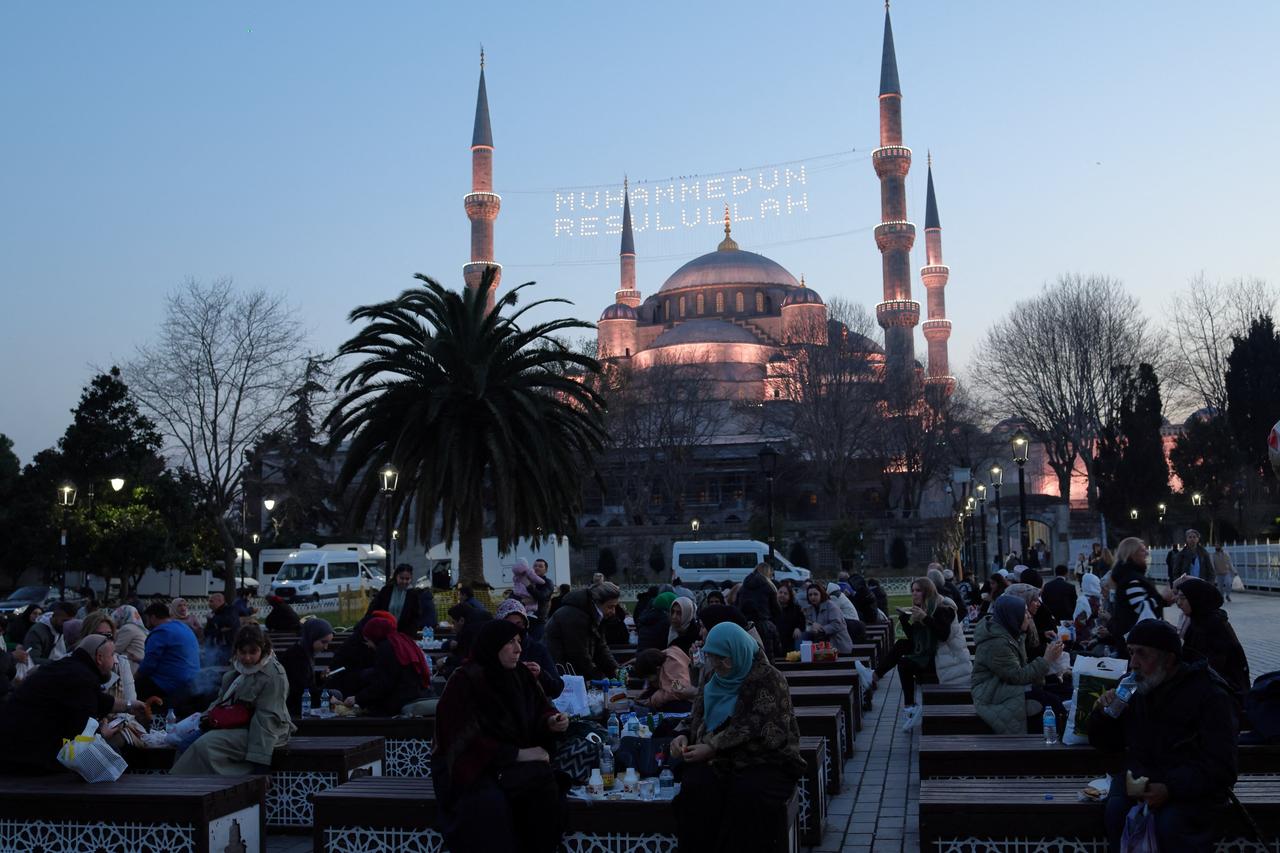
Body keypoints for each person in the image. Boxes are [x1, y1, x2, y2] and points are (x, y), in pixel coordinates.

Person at [1089, 620, 1238, 853]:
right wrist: (1103, 714)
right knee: (1116, 811)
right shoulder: (1132, 687)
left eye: (1142, 654)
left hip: (1192, 788)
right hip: (1141, 779)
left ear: (1168, 660)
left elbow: (1221, 765)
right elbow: (1107, 744)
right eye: (1130, 652)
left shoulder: (1209, 693)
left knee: (1170, 824)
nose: (1133, 663)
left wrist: (1170, 788)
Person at [431, 619, 569, 853]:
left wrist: (551, 721)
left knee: (543, 789)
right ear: (493, 645)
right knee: (488, 808)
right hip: (472, 767)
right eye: (510, 643)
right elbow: (460, 737)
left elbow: (540, 708)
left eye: (519, 642)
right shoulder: (465, 680)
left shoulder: (521, 674)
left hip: (511, 765)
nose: (518, 649)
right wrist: (517, 754)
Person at [671, 621, 805, 853]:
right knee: (696, 788)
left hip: (765, 757)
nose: (721, 664)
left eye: (725, 658)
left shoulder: (768, 678)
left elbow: (759, 726)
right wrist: (683, 735)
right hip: (720, 757)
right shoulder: (714, 677)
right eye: (715, 658)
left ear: (739, 651)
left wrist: (713, 746)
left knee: (747, 796)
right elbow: (698, 714)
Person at [0, 634, 145, 775]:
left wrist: (129, 705)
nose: (115, 661)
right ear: (99, 658)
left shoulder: (68, 668)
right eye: (112, 655)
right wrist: (103, 734)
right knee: (111, 755)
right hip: (29, 761)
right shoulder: (82, 679)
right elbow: (81, 735)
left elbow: (97, 700)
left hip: (13, 751)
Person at [172, 625, 293, 776]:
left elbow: (267, 719)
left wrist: (260, 764)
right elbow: (221, 702)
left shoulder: (273, 675)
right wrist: (204, 721)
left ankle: (203, 790)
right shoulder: (237, 669)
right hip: (233, 724)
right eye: (243, 652)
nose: (247, 658)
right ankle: (179, 789)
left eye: (252, 652)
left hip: (263, 732)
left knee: (206, 745)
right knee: (185, 744)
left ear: (263, 650)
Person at [971, 594, 1065, 735]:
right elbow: (1017, 676)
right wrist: (1047, 659)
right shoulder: (997, 643)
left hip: (1002, 685)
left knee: (1058, 692)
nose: (1029, 615)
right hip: (991, 692)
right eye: (1024, 612)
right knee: (1052, 704)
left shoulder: (1010, 633)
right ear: (1012, 616)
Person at [872, 577, 956, 729]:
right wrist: (904, 619)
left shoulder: (943, 608)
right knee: (902, 645)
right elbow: (914, 639)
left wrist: (925, 618)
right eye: (912, 591)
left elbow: (943, 635)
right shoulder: (922, 609)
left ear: (927, 592)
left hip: (943, 658)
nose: (914, 594)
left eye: (918, 590)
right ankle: (877, 677)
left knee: (904, 662)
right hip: (929, 653)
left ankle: (908, 704)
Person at [1174, 577, 1250, 702]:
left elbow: (1212, 666)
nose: (1178, 603)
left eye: (1183, 598)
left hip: (1226, 693)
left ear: (1196, 599)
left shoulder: (1213, 626)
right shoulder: (1197, 621)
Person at [343, 615, 433, 716]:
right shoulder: (401, 641)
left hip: (400, 701)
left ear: (375, 636)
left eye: (368, 640)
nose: (368, 645)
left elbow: (383, 684)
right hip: (415, 694)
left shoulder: (385, 648)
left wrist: (357, 698)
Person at [545, 581, 620, 680]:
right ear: (597, 602)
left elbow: (600, 645)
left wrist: (615, 670)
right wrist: (599, 677)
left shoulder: (594, 614)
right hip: (559, 670)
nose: (613, 612)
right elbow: (578, 653)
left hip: (567, 668)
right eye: (610, 607)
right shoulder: (576, 616)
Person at [135, 601, 201, 712]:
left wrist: (133, 678)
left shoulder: (160, 632)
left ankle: (141, 719)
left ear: (152, 617)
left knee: (136, 687)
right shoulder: (183, 627)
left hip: (172, 683)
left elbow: (148, 666)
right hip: (193, 680)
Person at [1104, 537, 1165, 656]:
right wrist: (1163, 599)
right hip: (1137, 642)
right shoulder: (1131, 579)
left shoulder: (1128, 575)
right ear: (1132, 554)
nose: (1147, 553)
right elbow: (1141, 608)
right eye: (1142, 550)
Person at [495, 598, 563, 699]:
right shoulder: (492, 650)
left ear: (526, 624)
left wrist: (540, 674)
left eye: (519, 624)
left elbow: (556, 688)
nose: (515, 630)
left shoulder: (537, 649)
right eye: (509, 625)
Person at [80, 610, 138, 706]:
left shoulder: (121, 663)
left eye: (108, 635)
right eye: (99, 635)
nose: (105, 640)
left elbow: (131, 702)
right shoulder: (72, 662)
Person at [278, 618, 334, 716]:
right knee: (335, 695)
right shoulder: (296, 657)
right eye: (323, 642)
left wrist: (319, 676)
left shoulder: (304, 651)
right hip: (293, 706)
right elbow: (302, 690)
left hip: (301, 700)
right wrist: (329, 697)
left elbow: (305, 679)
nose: (326, 647)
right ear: (312, 637)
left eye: (328, 643)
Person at [737, 561, 782, 659]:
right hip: (764, 624)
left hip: (746, 626)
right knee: (768, 658)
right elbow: (776, 609)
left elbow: (738, 606)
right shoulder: (769, 587)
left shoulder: (743, 587)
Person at [631, 646, 697, 710]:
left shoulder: (672, 673)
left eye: (648, 677)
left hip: (691, 702)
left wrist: (651, 701)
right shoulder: (664, 657)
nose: (648, 680)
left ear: (657, 669)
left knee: (666, 705)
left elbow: (678, 691)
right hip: (688, 696)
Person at [367, 564, 423, 636]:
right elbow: (373, 609)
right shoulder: (386, 591)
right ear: (396, 577)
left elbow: (416, 617)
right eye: (402, 578)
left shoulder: (413, 595)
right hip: (384, 633)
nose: (404, 581)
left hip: (404, 634)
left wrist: (409, 633)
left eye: (407, 579)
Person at [800, 584, 853, 654]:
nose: (812, 597)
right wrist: (811, 627)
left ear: (821, 594)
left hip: (838, 645)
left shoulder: (831, 606)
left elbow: (837, 625)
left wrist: (821, 629)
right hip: (821, 646)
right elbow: (808, 624)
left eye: (815, 594)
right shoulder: (810, 609)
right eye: (810, 595)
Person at [23, 601, 76, 666]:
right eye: (64, 621)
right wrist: (59, 664)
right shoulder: (37, 632)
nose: (67, 624)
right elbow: (32, 659)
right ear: (55, 616)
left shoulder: (65, 628)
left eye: (70, 621)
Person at [109, 604, 148, 672]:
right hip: (138, 665)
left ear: (123, 616)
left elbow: (116, 649)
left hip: (132, 667)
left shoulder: (128, 628)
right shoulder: (137, 628)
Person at [204, 591, 239, 661]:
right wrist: (219, 630)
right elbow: (207, 632)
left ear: (220, 601)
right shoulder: (213, 614)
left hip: (229, 646)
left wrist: (214, 619)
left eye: (211, 601)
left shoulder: (231, 609)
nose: (209, 604)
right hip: (216, 647)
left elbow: (230, 622)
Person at [774, 582, 807, 652]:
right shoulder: (771, 608)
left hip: (791, 643)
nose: (782, 595)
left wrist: (798, 628)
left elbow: (802, 622)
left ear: (790, 596)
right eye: (780, 592)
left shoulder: (796, 609)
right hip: (775, 643)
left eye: (785, 593)